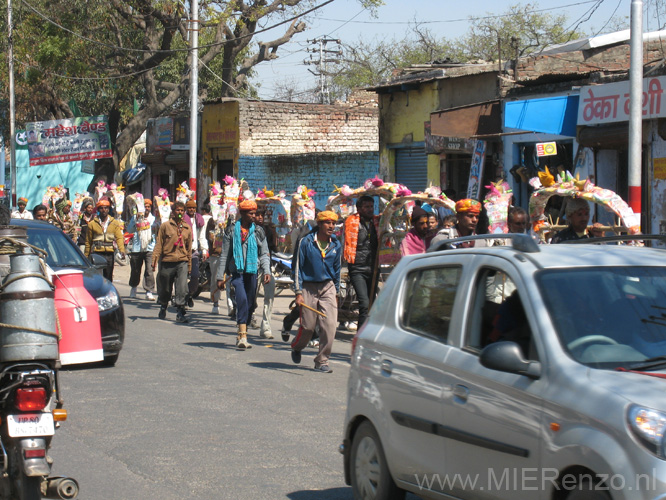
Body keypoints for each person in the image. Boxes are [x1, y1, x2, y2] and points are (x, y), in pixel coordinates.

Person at [289, 210, 342, 373]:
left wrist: (337, 292)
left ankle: (322, 360)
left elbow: (337, 269)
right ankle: (297, 347)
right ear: (319, 224)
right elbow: (297, 268)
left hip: (328, 287)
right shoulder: (306, 242)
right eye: (327, 223)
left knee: (330, 324)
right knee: (308, 327)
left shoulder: (336, 244)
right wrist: (298, 292)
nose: (331, 226)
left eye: (333, 223)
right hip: (308, 287)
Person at [217, 200, 271, 349]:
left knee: (249, 303)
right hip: (237, 272)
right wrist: (219, 276)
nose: (254, 216)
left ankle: (243, 328)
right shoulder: (231, 230)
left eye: (255, 213)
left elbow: (265, 253)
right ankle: (242, 335)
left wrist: (267, 271)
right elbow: (225, 255)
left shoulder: (258, 231)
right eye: (251, 213)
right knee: (241, 299)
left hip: (252, 272)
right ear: (242, 213)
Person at [152, 201, 192, 323]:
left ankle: (180, 311)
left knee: (182, 288)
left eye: (182, 211)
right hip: (167, 260)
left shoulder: (187, 228)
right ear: (172, 211)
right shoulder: (165, 226)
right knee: (165, 288)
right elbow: (159, 244)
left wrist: (189, 266)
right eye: (177, 210)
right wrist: (154, 259)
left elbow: (189, 248)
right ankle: (164, 304)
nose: (180, 213)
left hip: (182, 261)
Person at [343, 195, 378, 330]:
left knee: (372, 305)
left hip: (373, 267)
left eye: (371, 207)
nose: (370, 210)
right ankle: (360, 338)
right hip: (357, 268)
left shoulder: (377, 222)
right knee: (364, 303)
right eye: (367, 207)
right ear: (359, 208)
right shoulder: (351, 222)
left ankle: (369, 333)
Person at [84, 197, 125, 281]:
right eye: (101, 208)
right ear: (98, 209)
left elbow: (119, 237)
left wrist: (122, 250)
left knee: (108, 277)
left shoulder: (114, 223)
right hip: (97, 253)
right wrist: (86, 256)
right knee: (97, 276)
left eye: (106, 208)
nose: (104, 210)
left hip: (109, 253)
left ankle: (108, 292)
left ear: (108, 209)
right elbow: (88, 241)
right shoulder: (92, 224)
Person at [254, 208, 278, 339]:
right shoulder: (247, 231)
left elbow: (273, 249)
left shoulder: (267, 231)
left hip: (266, 268)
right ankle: (248, 317)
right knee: (251, 297)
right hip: (252, 268)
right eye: (256, 215)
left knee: (269, 296)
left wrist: (274, 234)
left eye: (261, 215)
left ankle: (266, 326)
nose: (259, 218)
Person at [127, 198, 157, 301]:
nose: (146, 209)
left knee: (149, 270)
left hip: (149, 248)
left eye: (148, 207)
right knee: (135, 270)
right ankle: (134, 287)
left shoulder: (153, 219)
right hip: (137, 248)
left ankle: (149, 291)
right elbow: (129, 230)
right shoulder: (135, 218)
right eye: (145, 207)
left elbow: (157, 231)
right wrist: (136, 221)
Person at [184, 200, 208, 307]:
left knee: (195, 276)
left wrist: (204, 249)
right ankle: (181, 298)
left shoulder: (199, 220)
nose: (191, 210)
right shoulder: (183, 219)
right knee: (182, 277)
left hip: (194, 252)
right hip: (183, 252)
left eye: (193, 208)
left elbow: (201, 236)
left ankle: (188, 295)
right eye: (189, 208)